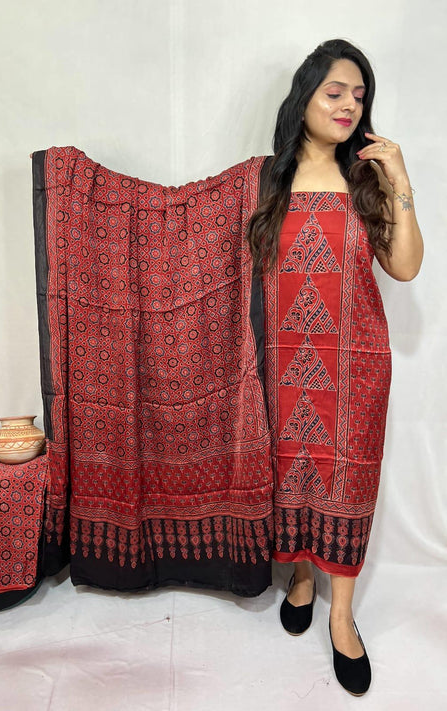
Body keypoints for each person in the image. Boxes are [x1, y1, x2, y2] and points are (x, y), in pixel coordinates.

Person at [246, 39, 423, 696]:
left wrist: (400, 180)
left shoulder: (367, 179)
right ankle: (299, 576)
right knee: (291, 470)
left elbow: (404, 266)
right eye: (335, 91)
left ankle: (341, 616)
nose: (349, 105)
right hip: (283, 364)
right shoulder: (263, 179)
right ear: (304, 98)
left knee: (347, 481)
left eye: (359, 96)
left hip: (355, 366)